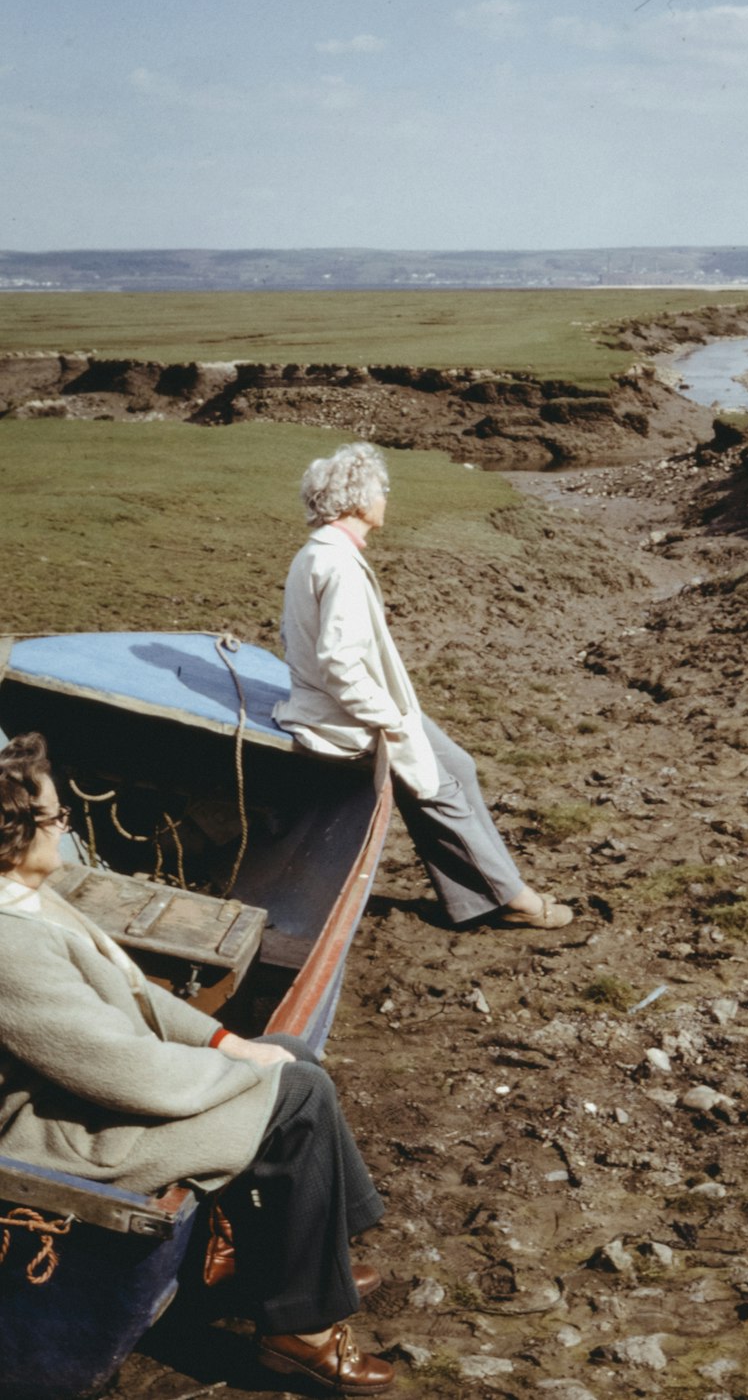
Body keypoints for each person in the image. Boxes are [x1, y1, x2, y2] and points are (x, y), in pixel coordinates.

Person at [0, 732, 394, 1395]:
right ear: (13, 833)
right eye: (58, 816)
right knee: (294, 1089)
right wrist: (250, 1076)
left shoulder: (28, 899)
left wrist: (227, 1045)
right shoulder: (10, 944)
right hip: (62, 1134)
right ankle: (299, 1334)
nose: (66, 827)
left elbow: (136, 1000)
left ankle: (308, 1263)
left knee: (289, 1056)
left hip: (90, 1096)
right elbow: (122, 1071)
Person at [273, 441, 574, 930]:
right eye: (383, 491)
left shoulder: (318, 552)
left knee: (457, 763)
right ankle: (516, 899)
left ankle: (473, 897)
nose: (387, 499)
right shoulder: (340, 567)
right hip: (345, 713)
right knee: (438, 789)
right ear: (358, 501)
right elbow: (340, 665)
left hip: (350, 703)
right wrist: (389, 719)